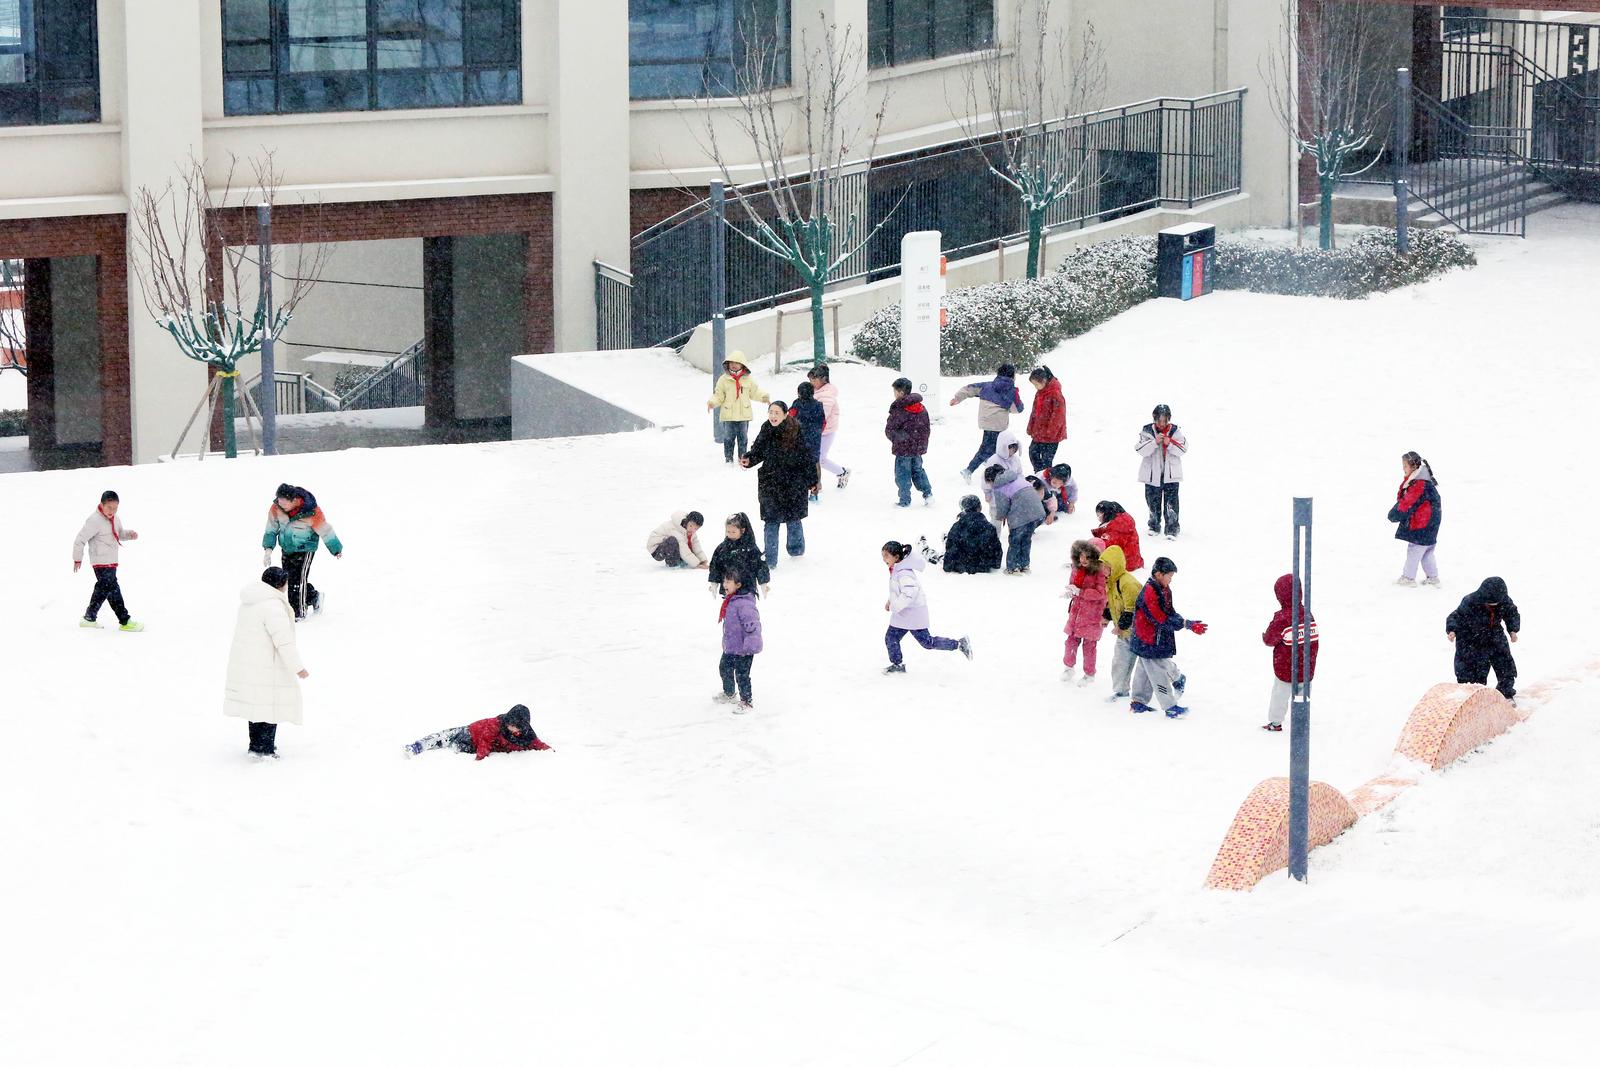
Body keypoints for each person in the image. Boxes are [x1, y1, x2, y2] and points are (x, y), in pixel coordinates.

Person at [223, 567, 309, 759]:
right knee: (271, 706)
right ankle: (265, 749)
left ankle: (256, 746)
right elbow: (283, 641)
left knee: (255, 706)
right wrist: (298, 668)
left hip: (249, 663)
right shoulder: (272, 606)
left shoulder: (250, 602)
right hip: (267, 665)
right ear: (279, 584)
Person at [1128, 557, 1207, 717]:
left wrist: (1186, 622)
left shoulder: (1164, 589)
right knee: (1157, 673)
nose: (1171, 580)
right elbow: (1160, 619)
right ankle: (1170, 706)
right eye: (1169, 576)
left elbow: (1169, 612)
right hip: (1149, 640)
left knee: (1144, 669)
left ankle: (1138, 702)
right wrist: (1185, 624)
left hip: (1150, 639)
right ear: (1158, 574)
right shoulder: (1150, 592)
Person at [881, 541, 972, 674]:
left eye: (886, 556)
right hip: (903, 615)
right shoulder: (896, 570)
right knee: (891, 638)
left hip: (913, 615)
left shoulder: (904, 573)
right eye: (882, 556)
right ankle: (897, 664)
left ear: (896, 557)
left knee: (927, 643)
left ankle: (959, 644)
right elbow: (899, 590)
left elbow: (909, 594)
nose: (884, 559)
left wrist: (895, 605)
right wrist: (891, 600)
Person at [741, 401, 812, 567]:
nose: (773, 416)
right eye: (770, 412)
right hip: (770, 482)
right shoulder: (766, 428)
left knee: (793, 518)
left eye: (776, 413)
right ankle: (770, 559)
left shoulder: (796, 429)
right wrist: (749, 459)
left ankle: (796, 551)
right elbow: (758, 450)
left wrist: (812, 480)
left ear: (785, 414)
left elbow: (806, 456)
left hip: (793, 482)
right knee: (771, 521)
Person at [262, 483, 343, 620]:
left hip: (305, 549)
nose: (281, 506)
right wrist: (268, 549)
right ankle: (314, 596)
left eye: (284, 503)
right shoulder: (276, 508)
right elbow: (271, 529)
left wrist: (336, 549)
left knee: (298, 580)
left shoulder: (311, 511)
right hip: (287, 548)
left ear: (294, 500)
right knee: (288, 579)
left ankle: (298, 614)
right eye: (279, 502)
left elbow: (325, 529)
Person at [73, 489, 143, 632]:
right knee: (111, 588)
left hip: (111, 560)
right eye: (109, 507)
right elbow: (80, 539)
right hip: (100, 561)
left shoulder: (116, 519)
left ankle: (89, 617)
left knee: (106, 589)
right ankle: (125, 620)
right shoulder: (94, 520)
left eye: (115, 508)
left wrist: (129, 535)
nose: (112, 511)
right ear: (102, 504)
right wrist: (77, 558)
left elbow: (119, 534)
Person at [1261, 574, 1319, 732]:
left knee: (1279, 697)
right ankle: (1300, 725)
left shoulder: (1282, 618)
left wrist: (1264, 636)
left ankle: (1275, 722)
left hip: (1286, 670)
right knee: (1302, 697)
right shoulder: (1307, 614)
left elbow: (1269, 640)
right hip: (1306, 669)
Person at [1446, 577, 1520, 701]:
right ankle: (1472, 696)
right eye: (1490, 602)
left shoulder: (1504, 600)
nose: (1494, 604)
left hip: (1494, 633)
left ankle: (1506, 693)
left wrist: (1513, 629)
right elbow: (1456, 616)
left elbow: (1511, 613)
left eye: (1496, 602)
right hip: (1470, 637)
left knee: (1504, 663)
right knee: (1472, 668)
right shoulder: (1470, 601)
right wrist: (1452, 630)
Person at [951, 363, 1024, 482]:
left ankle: (988, 461)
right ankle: (969, 470)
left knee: (991, 446)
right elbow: (1017, 409)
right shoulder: (1011, 391)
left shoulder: (987, 385)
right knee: (989, 448)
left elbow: (969, 388)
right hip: (998, 425)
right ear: (1012, 376)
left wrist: (957, 398)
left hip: (985, 421)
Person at [406, 704, 553, 760]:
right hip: (471, 732)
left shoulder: (527, 735)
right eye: (509, 724)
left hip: (472, 745)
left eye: (515, 726)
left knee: (460, 747)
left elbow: (536, 743)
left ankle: (459, 746)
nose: (510, 728)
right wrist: (480, 758)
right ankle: (417, 746)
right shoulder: (496, 725)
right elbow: (486, 741)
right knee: (444, 737)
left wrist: (548, 749)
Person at [1389, 451, 1442, 587]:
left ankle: (1408, 578)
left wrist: (1394, 514)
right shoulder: (1424, 481)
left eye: (1405, 466)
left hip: (1422, 525)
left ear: (1413, 467)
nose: (1403, 469)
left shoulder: (1419, 484)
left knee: (1414, 550)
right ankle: (1433, 577)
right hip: (1431, 525)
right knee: (1427, 552)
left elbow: (1407, 503)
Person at [715, 566, 763, 713]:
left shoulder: (744, 603)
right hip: (731, 646)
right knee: (724, 668)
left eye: (728, 581)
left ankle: (747, 702)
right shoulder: (731, 600)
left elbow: (753, 625)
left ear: (738, 584)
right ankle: (729, 693)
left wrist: (750, 645)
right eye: (724, 581)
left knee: (742, 675)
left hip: (744, 649)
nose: (724, 584)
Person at [1136, 404, 1187, 539]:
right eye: (1159, 420)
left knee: (1171, 504)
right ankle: (1154, 525)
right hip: (1152, 475)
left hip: (1171, 476)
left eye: (1165, 420)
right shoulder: (1147, 431)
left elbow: (1183, 449)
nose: (1162, 423)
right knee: (1152, 502)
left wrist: (1169, 444)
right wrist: (1154, 442)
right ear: (1154, 418)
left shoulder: (1175, 431)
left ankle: (1172, 529)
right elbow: (1140, 450)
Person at [1101, 545, 1145, 701]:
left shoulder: (1128, 583)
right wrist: (1106, 617)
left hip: (1139, 633)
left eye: (1106, 567)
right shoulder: (1111, 582)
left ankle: (1175, 677)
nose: (1103, 571)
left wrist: (1121, 626)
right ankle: (1121, 691)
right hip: (1124, 634)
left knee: (1151, 665)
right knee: (1120, 662)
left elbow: (1132, 610)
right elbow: (1112, 603)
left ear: (1115, 566)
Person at [707, 353, 768, 464]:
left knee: (743, 439)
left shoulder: (748, 379)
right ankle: (728, 459)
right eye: (731, 363)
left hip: (743, 415)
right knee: (728, 438)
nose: (734, 365)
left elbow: (755, 392)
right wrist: (712, 402)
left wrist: (764, 397)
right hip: (728, 415)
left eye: (737, 363)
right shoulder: (723, 379)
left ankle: (742, 459)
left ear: (742, 365)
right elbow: (718, 395)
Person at [1063, 540, 1108, 686]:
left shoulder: (1101, 572)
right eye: (1081, 556)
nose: (1083, 560)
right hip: (1077, 612)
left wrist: (1081, 592)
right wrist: (1071, 591)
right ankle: (1068, 667)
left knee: (1089, 645)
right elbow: (1073, 583)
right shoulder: (1077, 569)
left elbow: (1101, 593)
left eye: (1087, 557)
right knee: (1071, 641)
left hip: (1092, 615)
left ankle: (1089, 674)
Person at [884, 376, 933, 508]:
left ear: (900, 392)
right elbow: (926, 427)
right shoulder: (921, 408)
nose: (894, 394)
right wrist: (920, 443)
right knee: (918, 471)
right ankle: (928, 494)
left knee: (902, 474)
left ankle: (904, 500)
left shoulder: (899, 409)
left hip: (903, 449)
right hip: (917, 448)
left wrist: (899, 440)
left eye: (895, 391)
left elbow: (890, 429)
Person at [987, 466, 1047, 574]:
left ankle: (1013, 567)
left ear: (992, 479)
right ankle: (1025, 565)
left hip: (1020, 516)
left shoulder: (1000, 487)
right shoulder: (1018, 479)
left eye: (989, 482)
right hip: (1037, 513)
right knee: (1026, 540)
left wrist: (1000, 517)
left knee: (1015, 541)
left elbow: (1002, 507)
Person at [926, 495, 1003, 574]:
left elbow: (951, 554)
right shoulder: (989, 527)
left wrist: (948, 565)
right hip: (983, 566)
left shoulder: (957, 527)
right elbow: (997, 552)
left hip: (962, 566)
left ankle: (930, 552)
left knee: (951, 546)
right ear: (980, 508)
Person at [808, 364, 851, 490]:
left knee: (820, 459)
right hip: (816, 431)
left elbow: (822, 416)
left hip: (825, 432)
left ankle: (842, 472)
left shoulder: (826, 395)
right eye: (810, 380)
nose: (811, 382)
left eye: (814, 380)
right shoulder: (817, 391)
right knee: (811, 458)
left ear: (824, 379)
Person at [707, 512, 771, 595]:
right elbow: (715, 566)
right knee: (730, 607)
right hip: (728, 589)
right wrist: (714, 582)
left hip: (747, 587)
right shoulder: (722, 548)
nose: (730, 534)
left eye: (733, 532)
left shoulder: (750, 547)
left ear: (742, 530)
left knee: (746, 607)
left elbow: (760, 565)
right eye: (728, 531)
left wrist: (763, 583)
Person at [1026, 366, 1067, 473]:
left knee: (1046, 461)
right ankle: (1040, 475)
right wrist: (1030, 427)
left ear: (1043, 381)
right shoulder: (1040, 392)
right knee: (1033, 452)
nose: (1035, 387)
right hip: (1039, 432)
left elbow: (1059, 415)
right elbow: (1034, 412)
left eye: (1036, 384)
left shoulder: (1055, 393)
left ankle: (1045, 481)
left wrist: (1050, 432)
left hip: (1051, 436)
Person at [791, 380, 826, 500]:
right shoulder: (819, 405)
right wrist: (816, 433)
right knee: (815, 462)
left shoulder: (796, 404)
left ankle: (799, 490)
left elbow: (790, 419)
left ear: (799, 393)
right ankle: (815, 491)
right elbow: (823, 423)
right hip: (815, 439)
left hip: (799, 439)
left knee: (798, 464)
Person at [979, 429, 1025, 516]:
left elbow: (1019, 473)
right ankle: (995, 529)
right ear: (1003, 447)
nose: (1013, 452)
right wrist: (987, 492)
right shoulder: (994, 460)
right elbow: (986, 478)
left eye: (1015, 450)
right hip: (997, 496)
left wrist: (1020, 484)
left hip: (1013, 494)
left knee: (1013, 517)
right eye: (1011, 449)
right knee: (996, 516)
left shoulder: (1015, 459)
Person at [1091, 500, 1144, 572]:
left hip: (1126, 564)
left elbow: (1105, 546)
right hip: (1133, 560)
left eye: (1099, 515)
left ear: (1106, 513)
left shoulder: (1116, 527)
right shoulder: (1122, 519)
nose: (1099, 518)